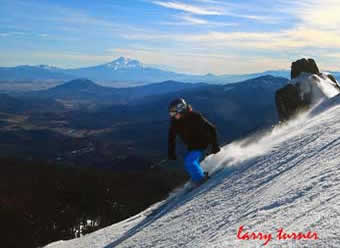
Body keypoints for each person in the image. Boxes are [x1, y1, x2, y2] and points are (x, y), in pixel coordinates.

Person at [168, 98, 221, 186]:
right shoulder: (175, 122)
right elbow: (171, 137)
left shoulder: (195, 116)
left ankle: (202, 180)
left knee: (189, 162)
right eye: (171, 113)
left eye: (174, 113)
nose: (172, 115)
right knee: (189, 163)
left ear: (181, 110)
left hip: (203, 143)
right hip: (192, 146)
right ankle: (200, 176)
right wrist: (171, 152)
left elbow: (212, 128)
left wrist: (215, 145)